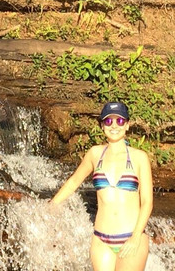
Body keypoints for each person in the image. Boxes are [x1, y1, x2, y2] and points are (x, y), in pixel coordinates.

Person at [50, 101, 153, 271]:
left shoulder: (139, 158)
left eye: (119, 121)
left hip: (130, 237)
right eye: (108, 121)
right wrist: (52, 205)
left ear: (127, 125)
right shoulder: (95, 153)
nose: (114, 126)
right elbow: (74, 182)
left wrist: (135, 237)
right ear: (102, 126)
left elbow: (147, 202)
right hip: (101, 240)